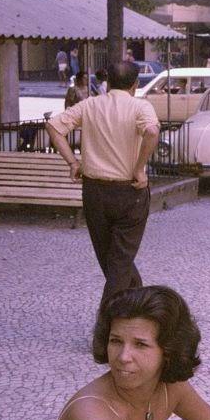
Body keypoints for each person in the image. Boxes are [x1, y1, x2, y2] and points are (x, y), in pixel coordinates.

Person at [46, 61, 160, 307]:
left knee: (113, 261)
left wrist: (72, 163)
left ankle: (138, 310)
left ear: (107, 82)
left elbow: (54, 126)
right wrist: (139, 168)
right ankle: (108, 328)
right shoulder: (141, 106)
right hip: (130, 191)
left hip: (95, 192)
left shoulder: (90, 105)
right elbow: (152, 131)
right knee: (119, 262)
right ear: (135, 85)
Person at [56, 285, 210, 420]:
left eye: (140, 344)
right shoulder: (89, 414)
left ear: (168, 351)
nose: (123, 357)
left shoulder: (170, 387)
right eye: (116, 341)